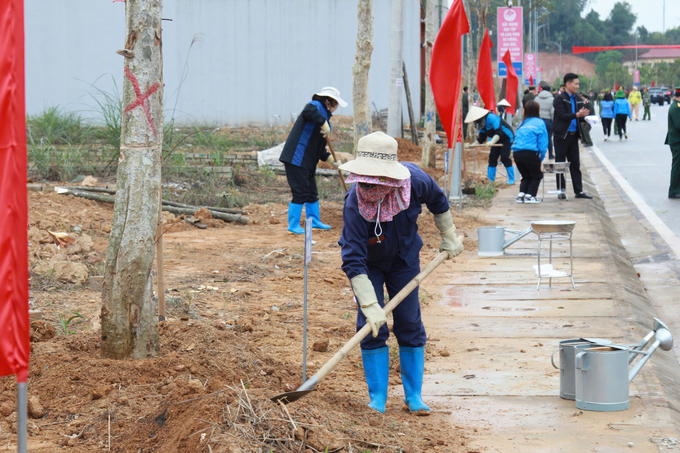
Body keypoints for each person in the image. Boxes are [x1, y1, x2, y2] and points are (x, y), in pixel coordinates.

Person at [337, 131, 464, 414]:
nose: (373, 185)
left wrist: (449, 235)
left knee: (409, 320)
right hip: (368, 265)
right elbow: (353, 258)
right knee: (371, 326)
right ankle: (378, 398)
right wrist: (370, 304)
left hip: (404, 259)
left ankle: (413, 396)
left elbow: (439, 201)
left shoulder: (415, 181)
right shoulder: (355, 204)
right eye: (367, 179)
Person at [279, 87, 347, 234]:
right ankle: (293, 225)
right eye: (336, 104)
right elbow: (308, 112)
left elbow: (320, 148)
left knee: (311, 192)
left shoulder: (326, 121)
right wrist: (323, 123)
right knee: (301, 191)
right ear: (331, 101)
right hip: (296, 157)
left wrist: (331, 160)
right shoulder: (315, 106)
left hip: (308, 161)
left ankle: (314, 221)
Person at [552, 73, 592, 199]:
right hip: (561, 136)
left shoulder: (578, 99)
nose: (577, 86)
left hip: (574, 136)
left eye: (578, 84)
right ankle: (561, 191)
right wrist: (577, 115)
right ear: (568, 84)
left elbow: (580, 116)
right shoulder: (559, 99)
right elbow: (562, 115)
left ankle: (578, 191)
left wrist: (587, 119)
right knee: (560, 164)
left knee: (575, 164)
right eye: (576, 84)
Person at [465, 105, 516, 184]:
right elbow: (482, 138)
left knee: (504, 157)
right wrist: (471, 145)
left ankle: (512, 179)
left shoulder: (491, 117)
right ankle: (490, 180)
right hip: (496, 139)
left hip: (506, 137)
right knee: (492, 158)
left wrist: (492, 141)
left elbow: (499, 131)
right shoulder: (481, 124)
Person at [512, 101, 548, 204]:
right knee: (537, 175)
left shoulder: (521, 123)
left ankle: (521, 194)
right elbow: (542, 143)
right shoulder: (540, 123)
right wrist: (541, 158)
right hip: (531, 152)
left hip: (517, 153)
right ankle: (530, 196)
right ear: (537, 110)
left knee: (526, 175)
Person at [665, 87, 680, 198]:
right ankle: (673, 190)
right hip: (677, 141)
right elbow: (679, 125)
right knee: (677, 165)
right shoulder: (675, 108)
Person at [536, 84, 555, 159]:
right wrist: (553, 121)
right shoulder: (552, 99)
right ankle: (550, 154)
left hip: (538, 120)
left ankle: (538, 155)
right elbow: (552, 112)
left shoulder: (536, 98)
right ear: (549, 90)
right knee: (549, 138)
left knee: (538, 138)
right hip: (548, 121)